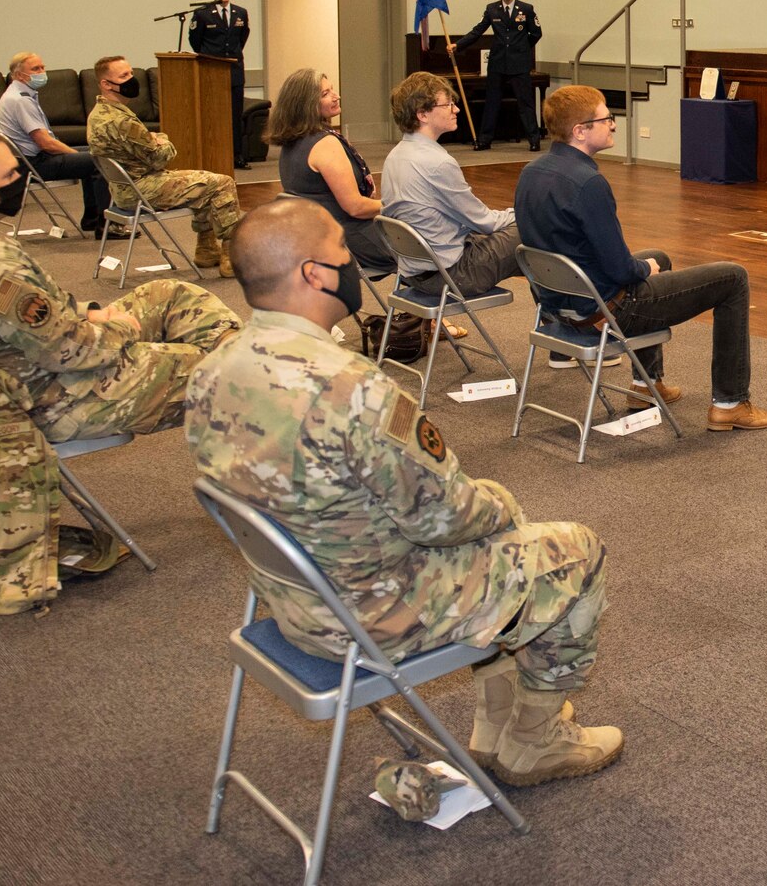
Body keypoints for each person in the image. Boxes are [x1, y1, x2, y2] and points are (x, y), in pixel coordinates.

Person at [186, 200, 623, 789]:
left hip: (297, 605)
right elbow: (446, 518)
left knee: (495, 536)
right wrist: (502, 500)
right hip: (375, 614)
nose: (354, 263)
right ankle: (533, 743)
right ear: (313, 274)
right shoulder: (351, 388)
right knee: (576, 549)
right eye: (342, 250)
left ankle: (495, 723)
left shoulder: (212, 371)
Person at [0, 130, 240, 443]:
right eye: (9, 175)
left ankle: (241, 351)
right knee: (223, 372)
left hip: (20, 372)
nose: (20, 180)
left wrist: (91, 313)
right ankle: (255, 373)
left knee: (172, 294)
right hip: (54, 399)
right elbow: (65, 351)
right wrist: (119, 329)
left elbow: (24, 318)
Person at [515, 84, 767, 430]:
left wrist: (649, 264)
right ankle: (730, 403)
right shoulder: (588, 183)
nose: (613, 124)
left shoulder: (531, 171)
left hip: (561, 306)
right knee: (732, 278)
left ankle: (646, 384)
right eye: (605, 119)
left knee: (660, 256)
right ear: (580, 131)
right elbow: (621, 269)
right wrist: (645, 268)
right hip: (608, 309)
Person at [86, 55, 242, 277]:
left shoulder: (99, 114)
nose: (131, 79)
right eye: (123, 76)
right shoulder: (121, 121)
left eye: (130, 73)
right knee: (222, 183)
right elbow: (161, 157)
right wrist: (163, 138)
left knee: (205, 179)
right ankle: (231, 255)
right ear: (106, 84)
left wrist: (153, 138)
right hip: (142, 190)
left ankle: (207, 249)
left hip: (123, 189)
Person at [381, 72, 522, 299]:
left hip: (413, 272)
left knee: (522, 244)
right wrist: (523, 214)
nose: (456, 110)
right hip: (449, 276)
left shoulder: (395, 155)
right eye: (448, 105)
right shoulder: (438, 162)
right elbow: (485, 222)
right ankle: (567, 317)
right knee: (532, 229)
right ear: (423, 114)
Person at [268, 67, 393, 278]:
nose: (336, 96)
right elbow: (355, 207)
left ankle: (414, 308)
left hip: (315, 238)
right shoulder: (325, 143)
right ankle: (426, 306)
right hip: (346, 240)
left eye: (332, 90)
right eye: (325, 94)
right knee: (426, 243)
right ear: (306, 105)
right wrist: (398, 205)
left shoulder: (293, 142)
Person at [0, 51, 108, 235]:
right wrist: (74, 154)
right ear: (19, 75)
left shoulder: (17, 93)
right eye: (36, 69)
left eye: (42, 67)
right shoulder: (20, 100)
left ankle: (92, 219)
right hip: (33, 164)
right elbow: (46, 143)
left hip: (26, 159)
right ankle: (105, 226)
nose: (42, 72)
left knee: (94, 152)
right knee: (100, 159)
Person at [457, 0, 543, 151]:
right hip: (497, 63)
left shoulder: (526, 9)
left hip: (519, 64)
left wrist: (522, 48)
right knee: (492, 103)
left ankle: (534, 140)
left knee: (525, 103)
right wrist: (458, 45)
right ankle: (485, 140)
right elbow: (478, 31)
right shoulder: (492, 9)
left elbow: (536, 33)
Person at [188, 0, 252, 169]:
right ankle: (213, 154)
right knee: (212, 115)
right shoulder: (202, 14)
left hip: (234, 71)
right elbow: (195, 41)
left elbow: (242, 38)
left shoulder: (240, 12)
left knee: (235, 115)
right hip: (212, 72)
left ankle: (237, 155)